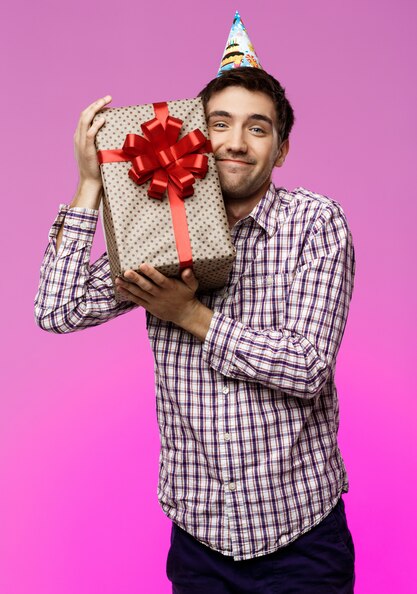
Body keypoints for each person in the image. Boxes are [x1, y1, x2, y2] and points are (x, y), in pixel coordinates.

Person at [34, 66, 356, 593]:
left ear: (281, 149)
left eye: (258, 127)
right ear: (195, 137)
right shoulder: (158, 230)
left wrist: (189, 314)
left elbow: (308, 367)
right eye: (220, 123)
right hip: (199, 543)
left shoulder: (315, 223)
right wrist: (91, 183)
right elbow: (58, 309)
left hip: (303, 539)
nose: (235, 142)